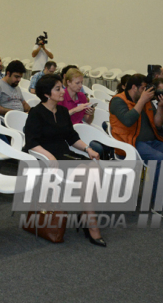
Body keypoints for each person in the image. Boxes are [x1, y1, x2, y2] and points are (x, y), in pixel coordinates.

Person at [23, 74, 105, 246]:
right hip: (45, 158)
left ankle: (88, 218)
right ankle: (92, 225)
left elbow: (71, 137)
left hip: (64, 154)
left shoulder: (61, 112)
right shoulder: (36, 113)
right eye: (58, 88)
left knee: (94, 168)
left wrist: (88, 149)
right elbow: (31, 142)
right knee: (88, 173)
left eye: (62, 87)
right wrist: (49, 156)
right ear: (47, 93)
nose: (63, 91)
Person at [109, 74, 163, 214]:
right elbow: (128, 121)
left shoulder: (146, 101)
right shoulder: (117, 101)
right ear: (134, 87)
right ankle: (159, 199)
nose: (147, 91)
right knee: (160, 159)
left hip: (153, 140)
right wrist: (142, 100)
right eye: (144, 88)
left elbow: (158, 125)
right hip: (130, 143)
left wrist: (161, 107)